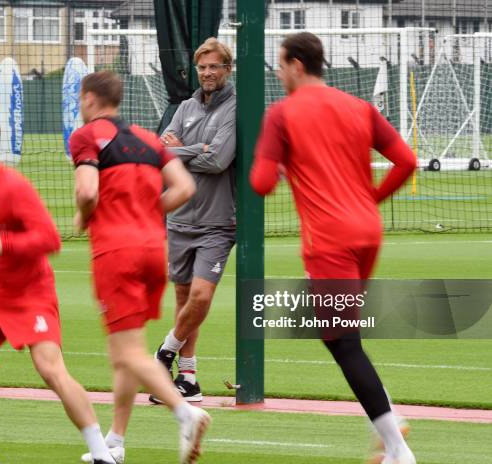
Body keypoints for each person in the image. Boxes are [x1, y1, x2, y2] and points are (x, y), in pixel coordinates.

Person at [250, 32, 418, 464]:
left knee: (342, 340)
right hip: (367, 234)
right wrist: (371, 201)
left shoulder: (281, 114)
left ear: (297, 65)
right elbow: (407, 161)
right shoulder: (359, 107)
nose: (279, 73)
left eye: (280, 65)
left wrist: (281, 161)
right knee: (340, 335)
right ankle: (388, 426)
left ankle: (397, 445)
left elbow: (260, 184)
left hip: (331, 240)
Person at [0, 113, 117, 464]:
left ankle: (103, 455)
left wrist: (3, 244)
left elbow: (50, 239)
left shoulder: (14, 187)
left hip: (31, 296)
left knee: (50, 370)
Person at [70, 71, 210, 464]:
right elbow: (184, 188)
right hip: (153, 250)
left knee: (127, 352)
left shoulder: (86, 136)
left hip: (117, 252)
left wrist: (85, 216)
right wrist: (147, 213)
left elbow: (86, 190)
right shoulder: (149, 140)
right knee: (125, 352)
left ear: (90, 99)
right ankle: (115, 442)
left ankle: (186, 412)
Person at [153, 37, 237, 403]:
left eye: (214, 66)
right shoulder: (186, 105)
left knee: (201, 296)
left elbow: (219, 160)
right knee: (184, 299)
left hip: (218, 221)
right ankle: (187, 378)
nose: (207, 73)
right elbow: (159, 151)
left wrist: (178, 150)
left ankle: (164, 353)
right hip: (179, 219)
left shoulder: (236, 106)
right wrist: (194, 150)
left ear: (227, 69)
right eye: (202, 67)